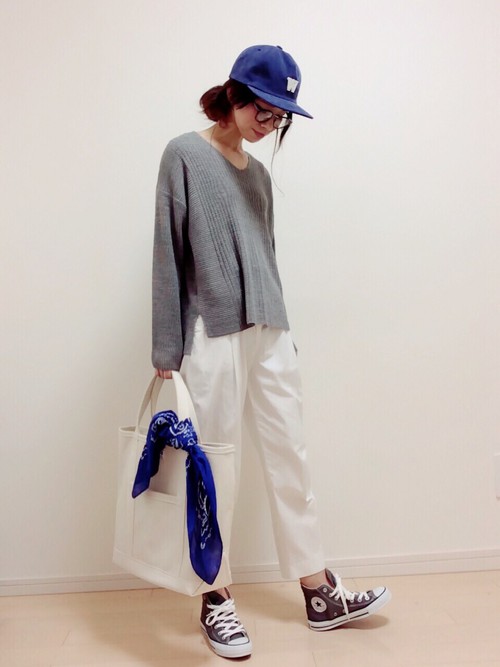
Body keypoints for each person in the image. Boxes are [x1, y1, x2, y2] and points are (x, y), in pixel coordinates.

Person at [152, 44, 391, 659]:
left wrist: (283, 327)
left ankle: (317, 590)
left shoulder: (258, 176)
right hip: (212, 331)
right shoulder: (184, 154)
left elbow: (267, 256)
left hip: (270, 330)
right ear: (234, 95)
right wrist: (166, 346)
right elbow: (167, 253)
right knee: (215, 466)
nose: (271, 122)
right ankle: (215, 597)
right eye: (265, 108)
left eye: (281, 115)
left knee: (290, 453)